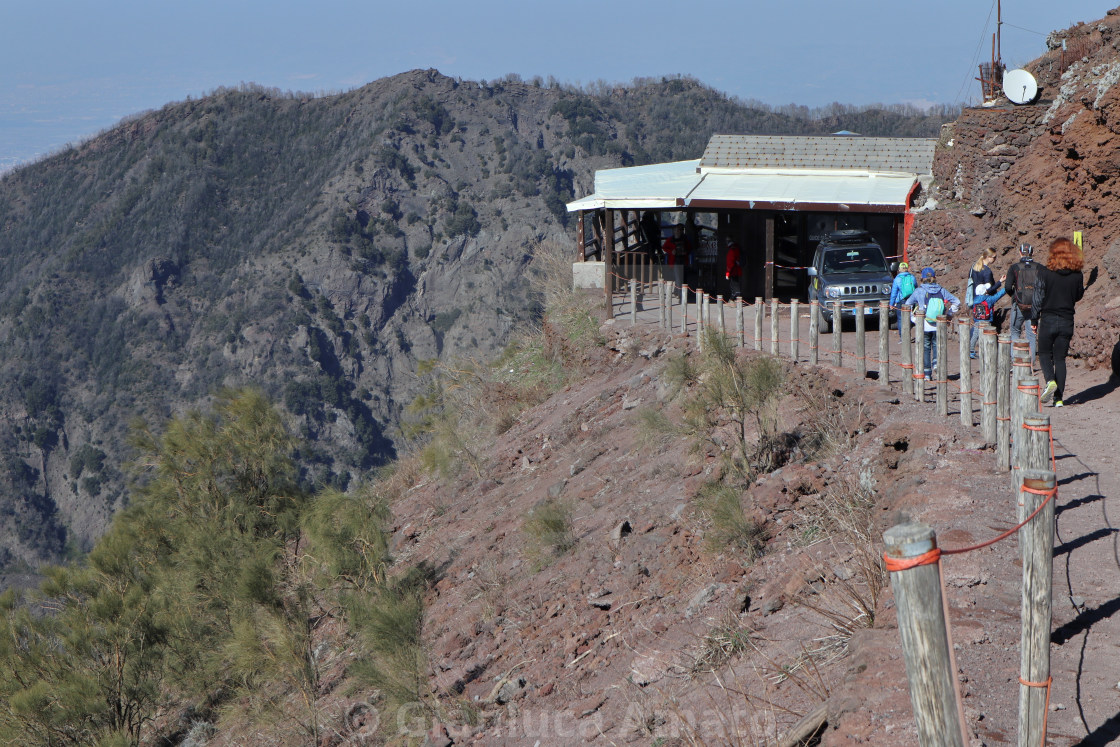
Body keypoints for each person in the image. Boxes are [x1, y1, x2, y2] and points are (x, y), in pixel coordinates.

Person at [1032, 238, 1085, 407]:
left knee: (1045, 354)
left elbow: (1037, 298)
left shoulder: (1045, 273)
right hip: (1067, 320)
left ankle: (1049, 381)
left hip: (1047, 319)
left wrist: (1034, 319)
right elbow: (1078, 296)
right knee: (1060, 359)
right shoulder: (1078, 275)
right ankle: (1059, 399)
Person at [905, 267, 961, 380]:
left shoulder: (919, 290)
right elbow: (957, 301)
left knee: (925, 348)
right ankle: (936, 364)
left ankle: (927, 374)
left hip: (924, 324)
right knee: (937, 345)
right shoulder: (941, 290)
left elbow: (907, 304)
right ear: (934, 278)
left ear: (922, 278)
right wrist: (949, 313)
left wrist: (914, 319)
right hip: (939, 325)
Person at [1005, 243, 1041, 363]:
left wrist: (1014, 296)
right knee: (1031, 334)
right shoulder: (1039, 267)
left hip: (1018, 304)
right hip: (1034, 306)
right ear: (1032, 253)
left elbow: (1008, 287)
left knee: (1015, 331)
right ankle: (1030, 363)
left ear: (1020, 252)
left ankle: (1015, 360)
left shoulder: (1014, 267)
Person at [968, 276, 1006, 357]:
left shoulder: (975, 300)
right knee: (987, 336)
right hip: (987, 321)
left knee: (975, 334)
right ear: (985, 291)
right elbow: (999, 295)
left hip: (977, 320)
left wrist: (999, 282)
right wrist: (1007, 287)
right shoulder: (989, 299)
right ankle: (988, 352)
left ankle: (971, 350)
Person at [889, 261, 917, 340]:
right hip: (911, 300)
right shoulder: (912, 277)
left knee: (901, 319)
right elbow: (916, 288)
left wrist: (891, 304)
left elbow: (894, 293)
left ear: (899, 269)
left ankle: (903, 337)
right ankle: (908, 335)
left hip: (901, 301)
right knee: (909, 318)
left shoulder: (897, 279)